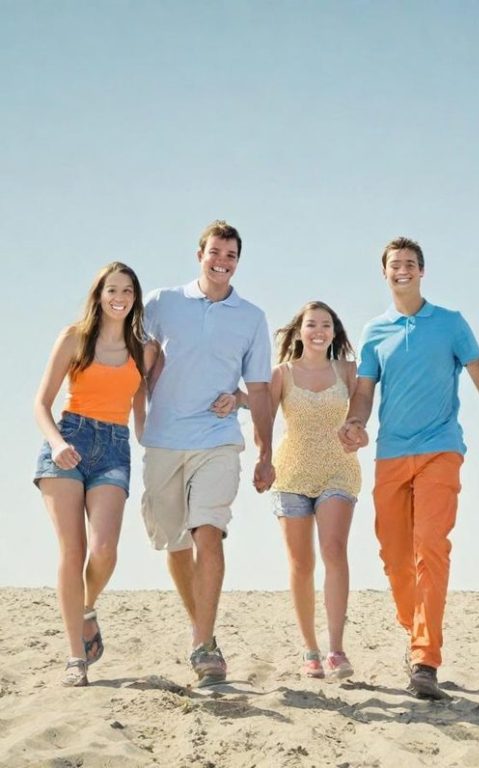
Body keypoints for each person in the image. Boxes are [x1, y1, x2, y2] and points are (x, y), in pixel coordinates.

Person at [339, 236, 479, 699]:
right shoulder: (373, 332)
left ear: (423, 271)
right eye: (394, 264)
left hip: (441, 447)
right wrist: (356, 422)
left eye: (410, 263)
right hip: (391, 453)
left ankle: (425, 659)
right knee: (395, 556)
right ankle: (415, 629)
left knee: (430, 546)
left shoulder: (451, 323)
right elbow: (364, 391)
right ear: (385, 273)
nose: (402, 270)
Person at [141, 220, 274, 686]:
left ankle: (202, 645)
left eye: (231, 256)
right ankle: (205, 632)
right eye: (216, 253)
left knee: (208, 532)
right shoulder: (161, 303)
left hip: (217, 439)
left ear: (238, 261)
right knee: (175, 544)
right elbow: (137, 363)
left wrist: (264, 451)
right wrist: (136, 423)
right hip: (162, 440)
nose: (223, 262)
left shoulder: (251, 317)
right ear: (200, 253)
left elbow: (258, 388)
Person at [34, 262, 154, 687]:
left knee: (104, 550)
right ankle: (74, 658)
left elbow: (141, 416)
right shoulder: (74, 338)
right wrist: (57, 443)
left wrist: (156, 449)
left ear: (135, 297)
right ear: (99, 295)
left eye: (127, 291)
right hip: (69, 439)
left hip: (115, 448)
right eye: (111, 290)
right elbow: (40, 404)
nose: (119, 297)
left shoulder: (145, 349)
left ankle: (86, 606)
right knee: (73, 549)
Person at [269, 301, 361, 679]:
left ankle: (336, 649)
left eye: (326, 325)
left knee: (334, 550)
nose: (318, 331)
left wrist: (358, 429)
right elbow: (261, 411)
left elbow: (361, 412)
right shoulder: (283, 373)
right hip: (290, 473)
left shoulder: (348, 370)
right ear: (299, 331)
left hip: (339, 469)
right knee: (301, 564)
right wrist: (236, 401)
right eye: (311, 325)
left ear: (334, 331)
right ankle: (310, 649)